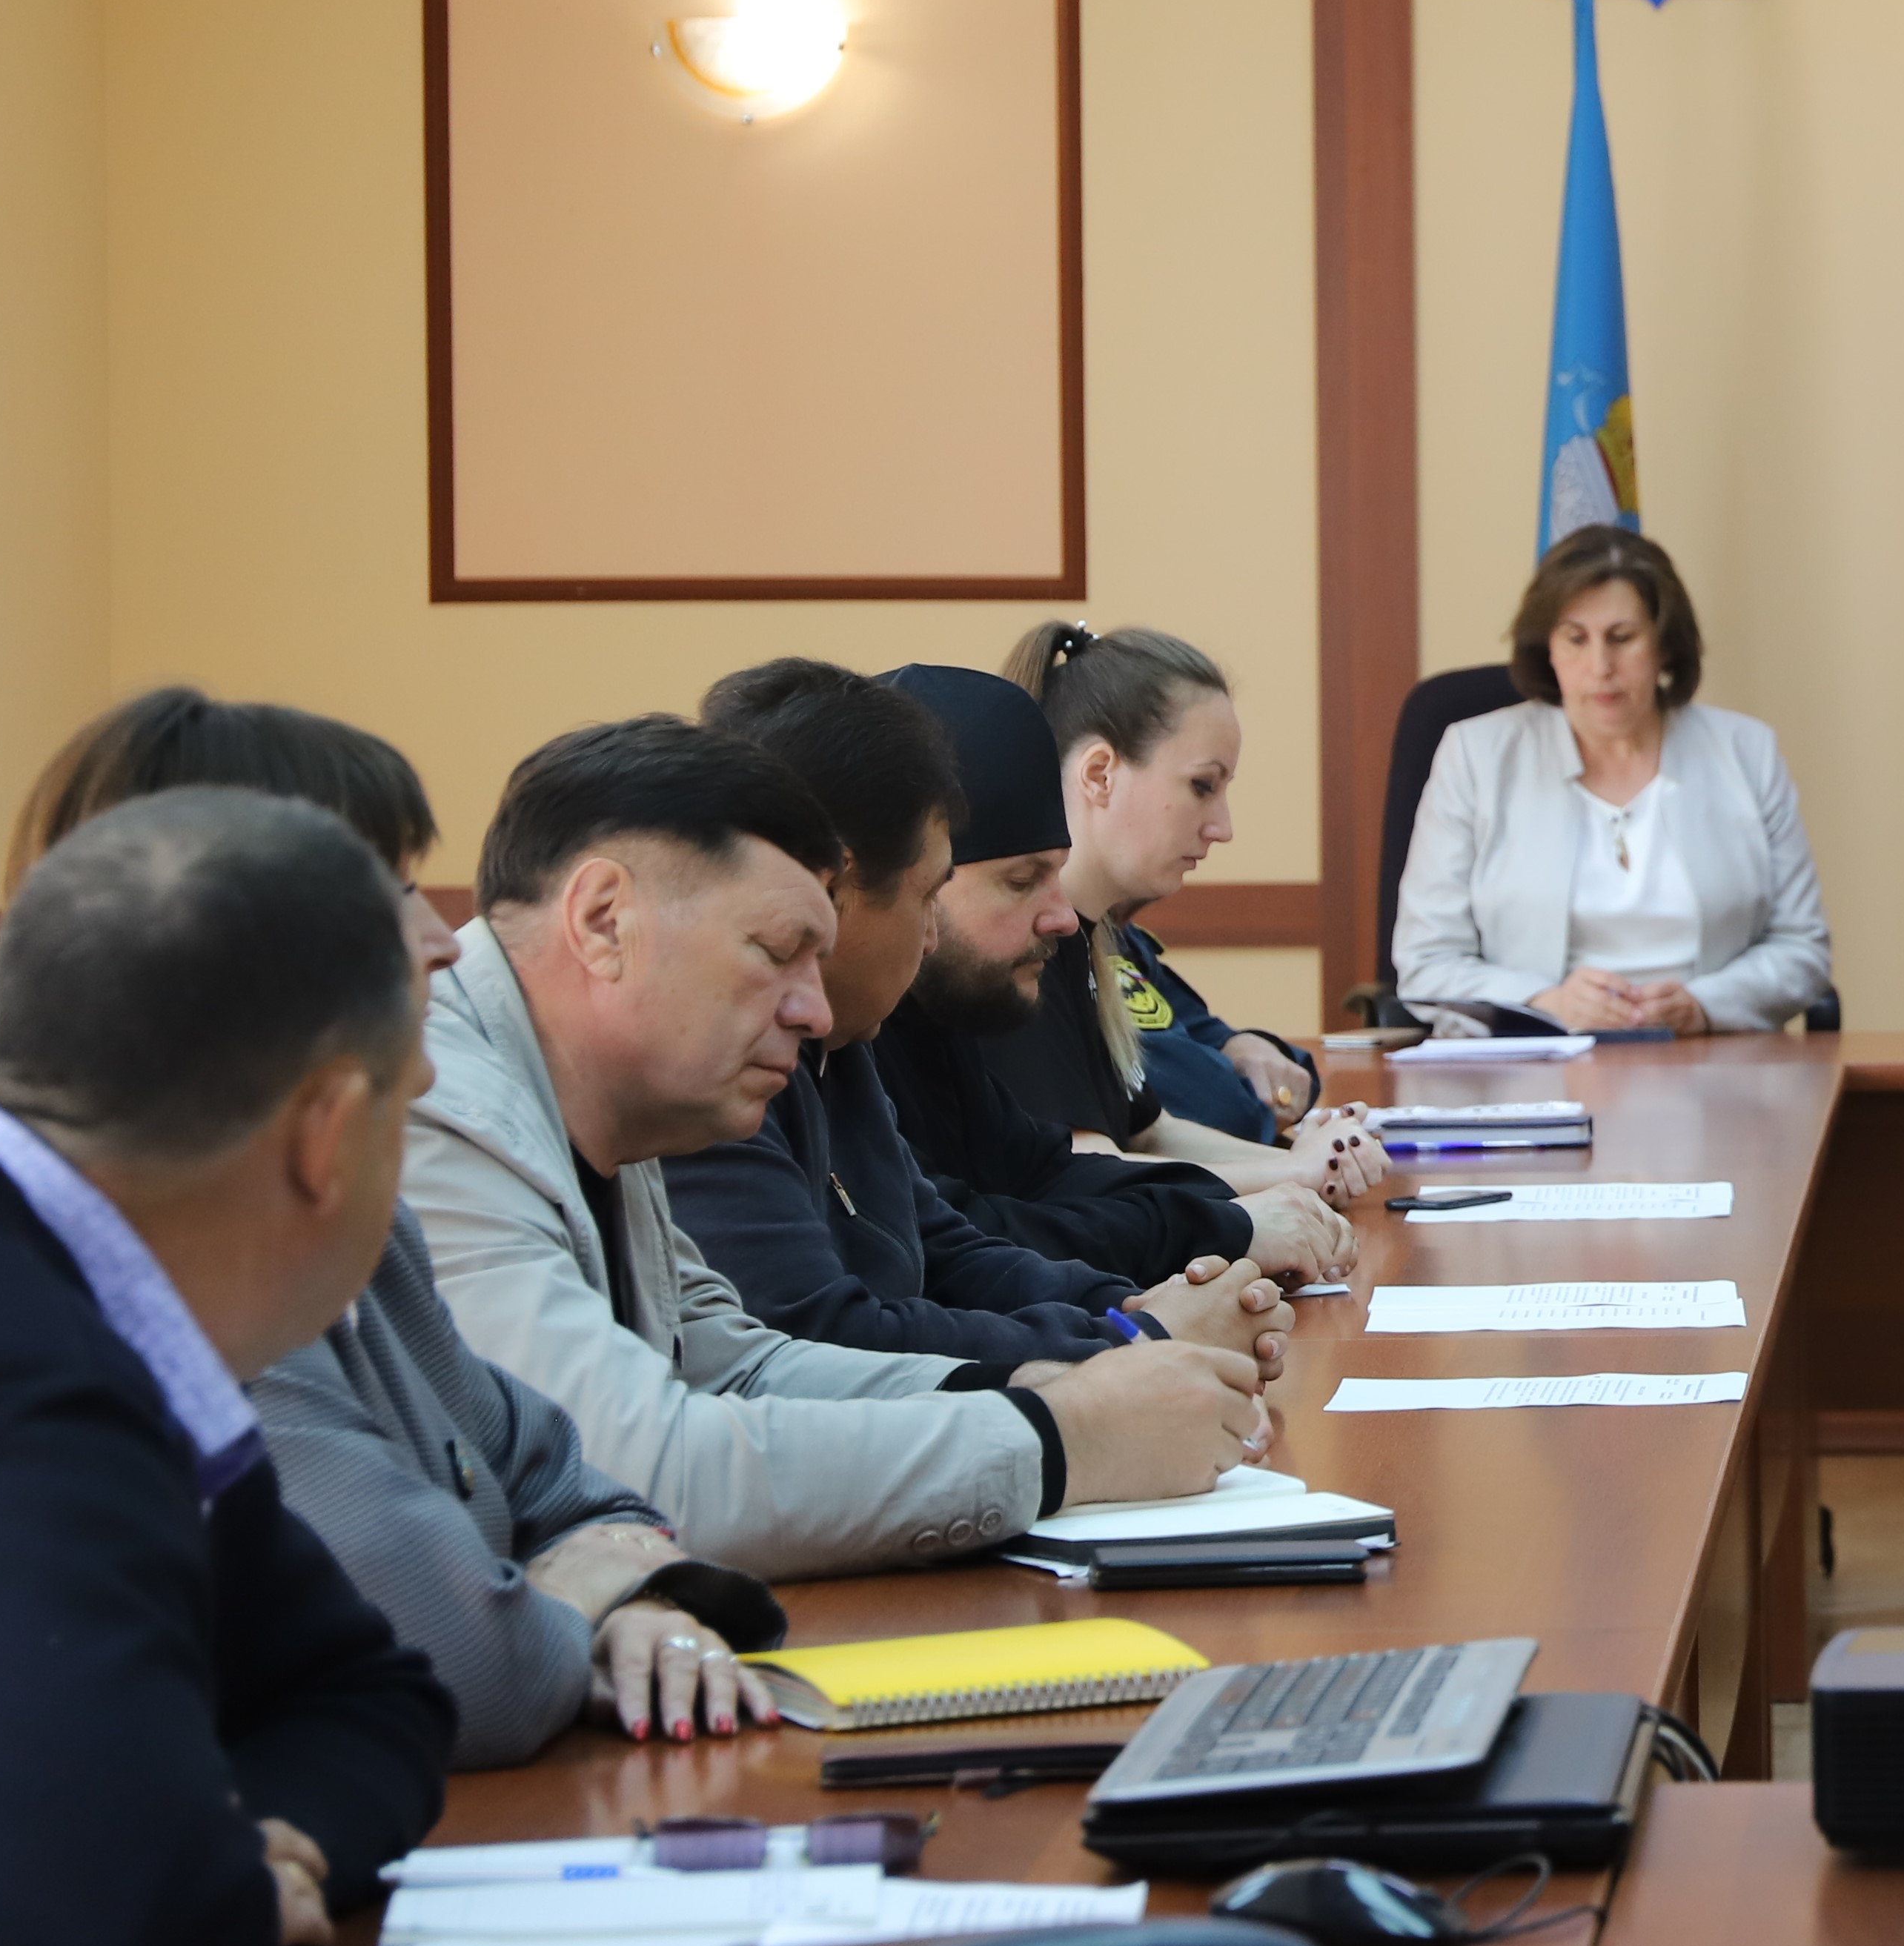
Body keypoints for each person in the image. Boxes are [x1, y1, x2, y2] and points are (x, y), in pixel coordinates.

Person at [14, 688, 779, 1761]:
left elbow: (562, 1471)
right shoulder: (186, 1264)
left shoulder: (354, 1216)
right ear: (234, 930)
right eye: (391, 885)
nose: (440, 935)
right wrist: (570, 1608)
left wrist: (612, 1584)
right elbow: (467, 1663)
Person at [0, 791, 451, 1946]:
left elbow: (371, 1699)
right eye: (407, 1108)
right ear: (328, 1133)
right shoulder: (2, 1373)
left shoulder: (42, 1271)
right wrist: (199, 1883)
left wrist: (218, 1849)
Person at [405, 717, 1284, 1580]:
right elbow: (641, 1466)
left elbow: (742, 1367)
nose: (815, 1013)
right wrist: (1064, 1441)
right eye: (776, 952)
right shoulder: (435, 1104)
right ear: (603, 921)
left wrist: (1075, 1381)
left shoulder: (607, 1083)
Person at [670, 660, 1331, 1364]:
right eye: (1018, 881)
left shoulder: (845, 1042)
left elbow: (949, 1245)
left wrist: (1132, 1310)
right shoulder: (709, 1061)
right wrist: (1132, 1336)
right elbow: (820, 1337)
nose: (1062, 919)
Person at [869, 662, 1372, 1285]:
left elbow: (1054, 1174)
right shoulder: (880, 1025)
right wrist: (1233, 1223)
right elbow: (961, 1246)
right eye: (1022, 881)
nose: (1060, 919)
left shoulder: (949, 1004)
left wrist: (1266, 1198)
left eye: (1055, 876)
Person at [992, 625, 1410, 1184]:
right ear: (1099, 774)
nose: (1223, 828)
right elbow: (1090, 1171)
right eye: (1201, 786)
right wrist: (1297, 1174)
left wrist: (1313, 1163)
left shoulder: (1087, 938)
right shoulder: (1017, 944)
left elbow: (1151, 1130)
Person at [1388, 532, 1837, 1034]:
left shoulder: (1746, 753)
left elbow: (1801, 948)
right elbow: (1427, 960)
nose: (1599, 667)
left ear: (1665, 647)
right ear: (1549, 650)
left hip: (1710, 1063)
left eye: (1622, 638)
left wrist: (1703, 1005)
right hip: (1531, 1074)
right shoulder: (1476, 756)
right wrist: (1545, 1004)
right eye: (1575, 639)